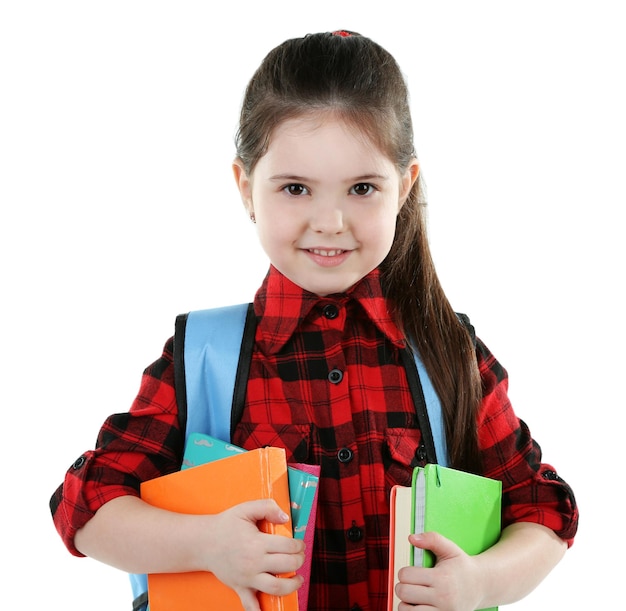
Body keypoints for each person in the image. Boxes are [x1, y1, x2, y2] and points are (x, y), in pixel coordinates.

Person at [50, 30, 578, 611]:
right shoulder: (203, 355)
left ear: (403, 189)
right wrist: (205, 544)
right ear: (246, 187)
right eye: (296, 188)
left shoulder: (450, 351)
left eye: (362, 188)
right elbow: (87, 506)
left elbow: (544, 514)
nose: (329, 221)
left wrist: (481, 582)